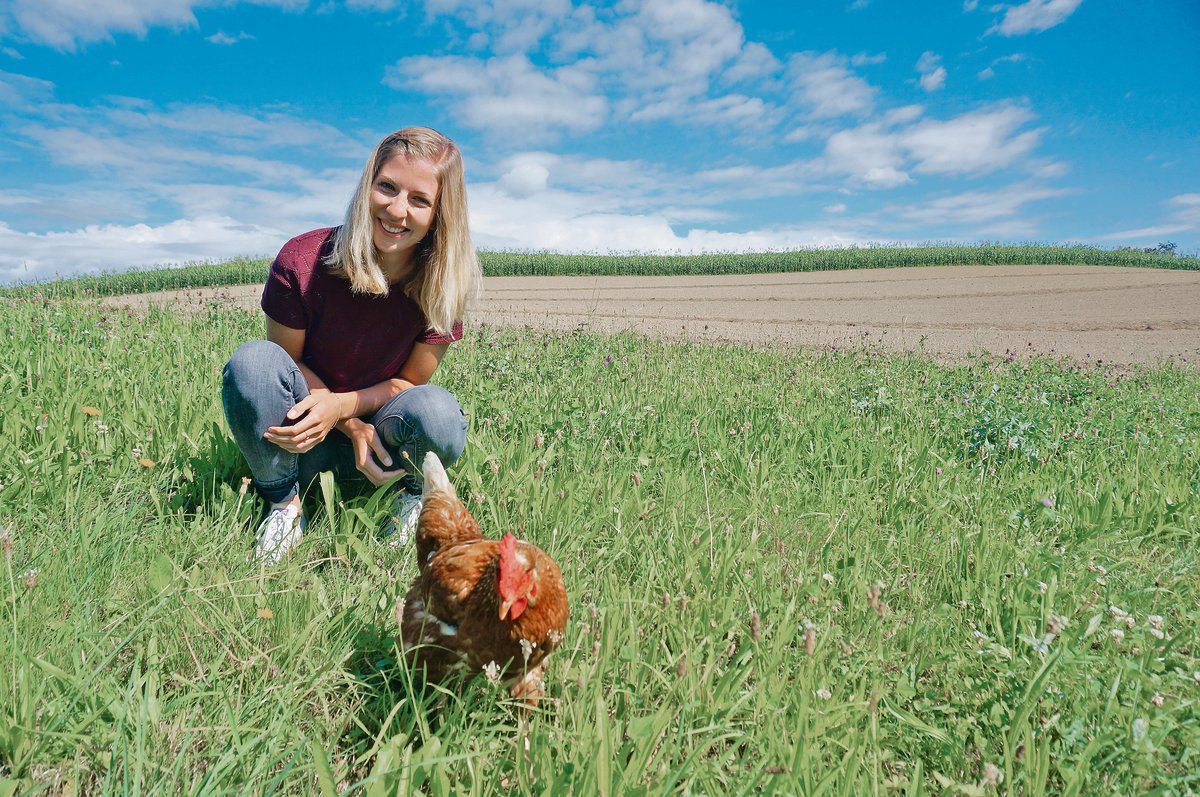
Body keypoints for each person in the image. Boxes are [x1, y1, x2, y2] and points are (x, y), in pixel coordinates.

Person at [221, 126, 481, 564]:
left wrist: (345, 410)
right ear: (367, 186)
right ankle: (284, 505)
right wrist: (344, 422)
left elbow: (409, 384)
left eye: (419, 200)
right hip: (302, 440)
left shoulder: (443, 285)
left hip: (383, 448)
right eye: (387, 187)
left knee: (438, 411)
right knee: (253, 364)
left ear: (441, 213)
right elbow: (287, 363)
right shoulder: (302, 260)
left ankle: (407, 496)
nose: (396, 210)